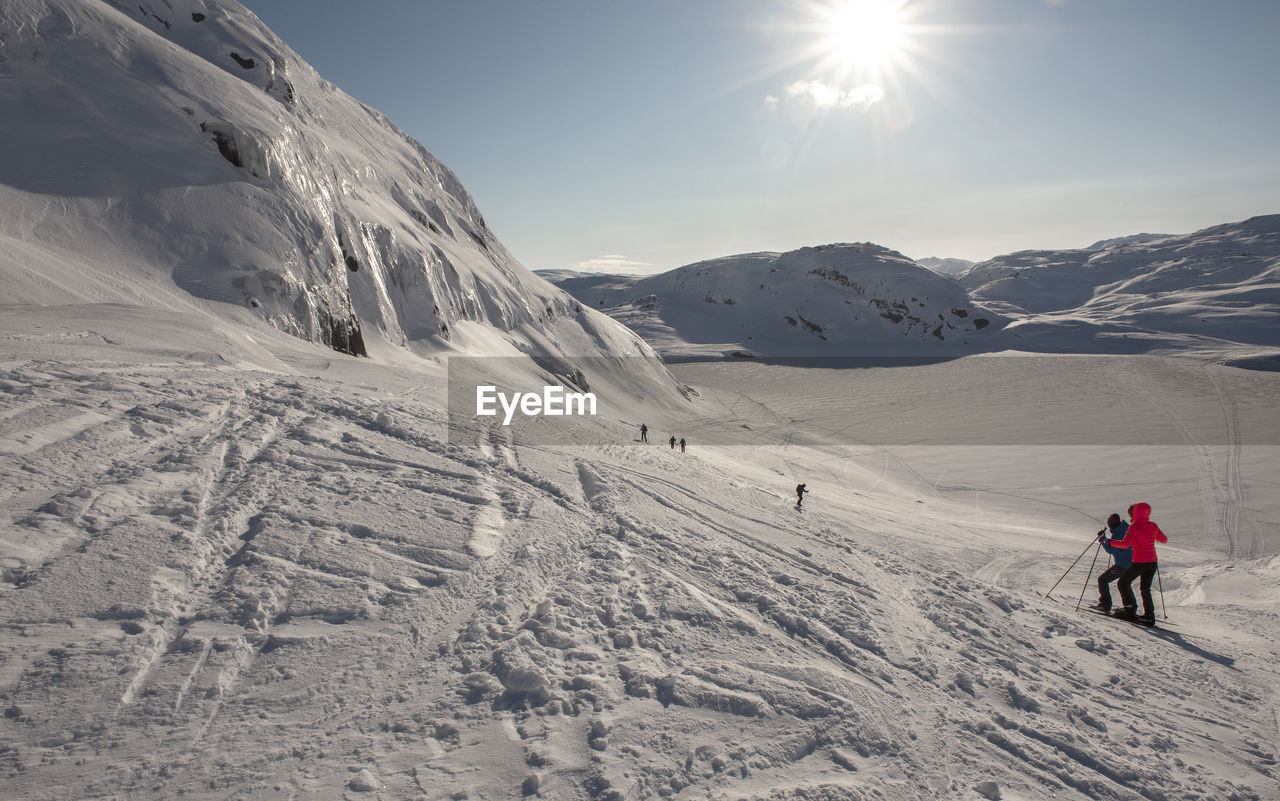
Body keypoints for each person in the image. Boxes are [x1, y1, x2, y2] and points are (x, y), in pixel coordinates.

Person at [1107, 502, 1168, 625]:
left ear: (1134, 513)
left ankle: (1129, 609)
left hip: (1140, 562)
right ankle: (1149, 616)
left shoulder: (1134, 527)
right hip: (1152, 562)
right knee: (1145, 589)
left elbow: (1125, 544)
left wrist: (1110, 542)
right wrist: (1152, 536)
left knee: (1123, 583)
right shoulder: (1153, 526)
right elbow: (1164, 539)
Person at [1089, 513, 1130, 614]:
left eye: (1109, 522)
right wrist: (1104, 540)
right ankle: (1130, 607)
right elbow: (1112, 550)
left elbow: (1116, 548)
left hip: (1122, 564)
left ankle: (1105, 604)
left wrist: (1105, 540)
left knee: (1103, 580)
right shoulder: (1120, 531)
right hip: (1129, 564)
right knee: (1124, 584)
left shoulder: (1121, 533)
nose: (1109, 524)